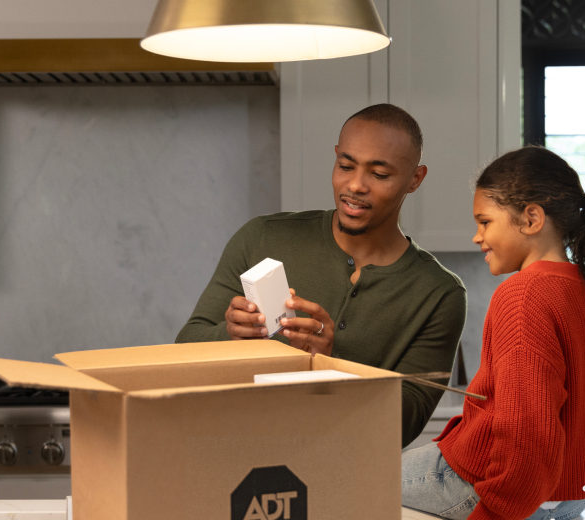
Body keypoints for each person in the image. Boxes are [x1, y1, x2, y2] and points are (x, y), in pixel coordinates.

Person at [403, 146, 585, 520]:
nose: (477, 236)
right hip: (568, 501)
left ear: (531, 218)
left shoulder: (523, 295)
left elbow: (528, 427)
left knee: (352, 480)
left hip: (485, 492)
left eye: (485, 221)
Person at [176, 104, 467, 448]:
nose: (355, 185)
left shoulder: (439, 294)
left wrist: (331, 367)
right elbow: (184, 351)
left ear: (414, 179)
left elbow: (407, 422)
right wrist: (232, 335)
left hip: (341, 476)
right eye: (345, 166)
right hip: (232, 452)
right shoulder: (262, 237)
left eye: (379, 174)